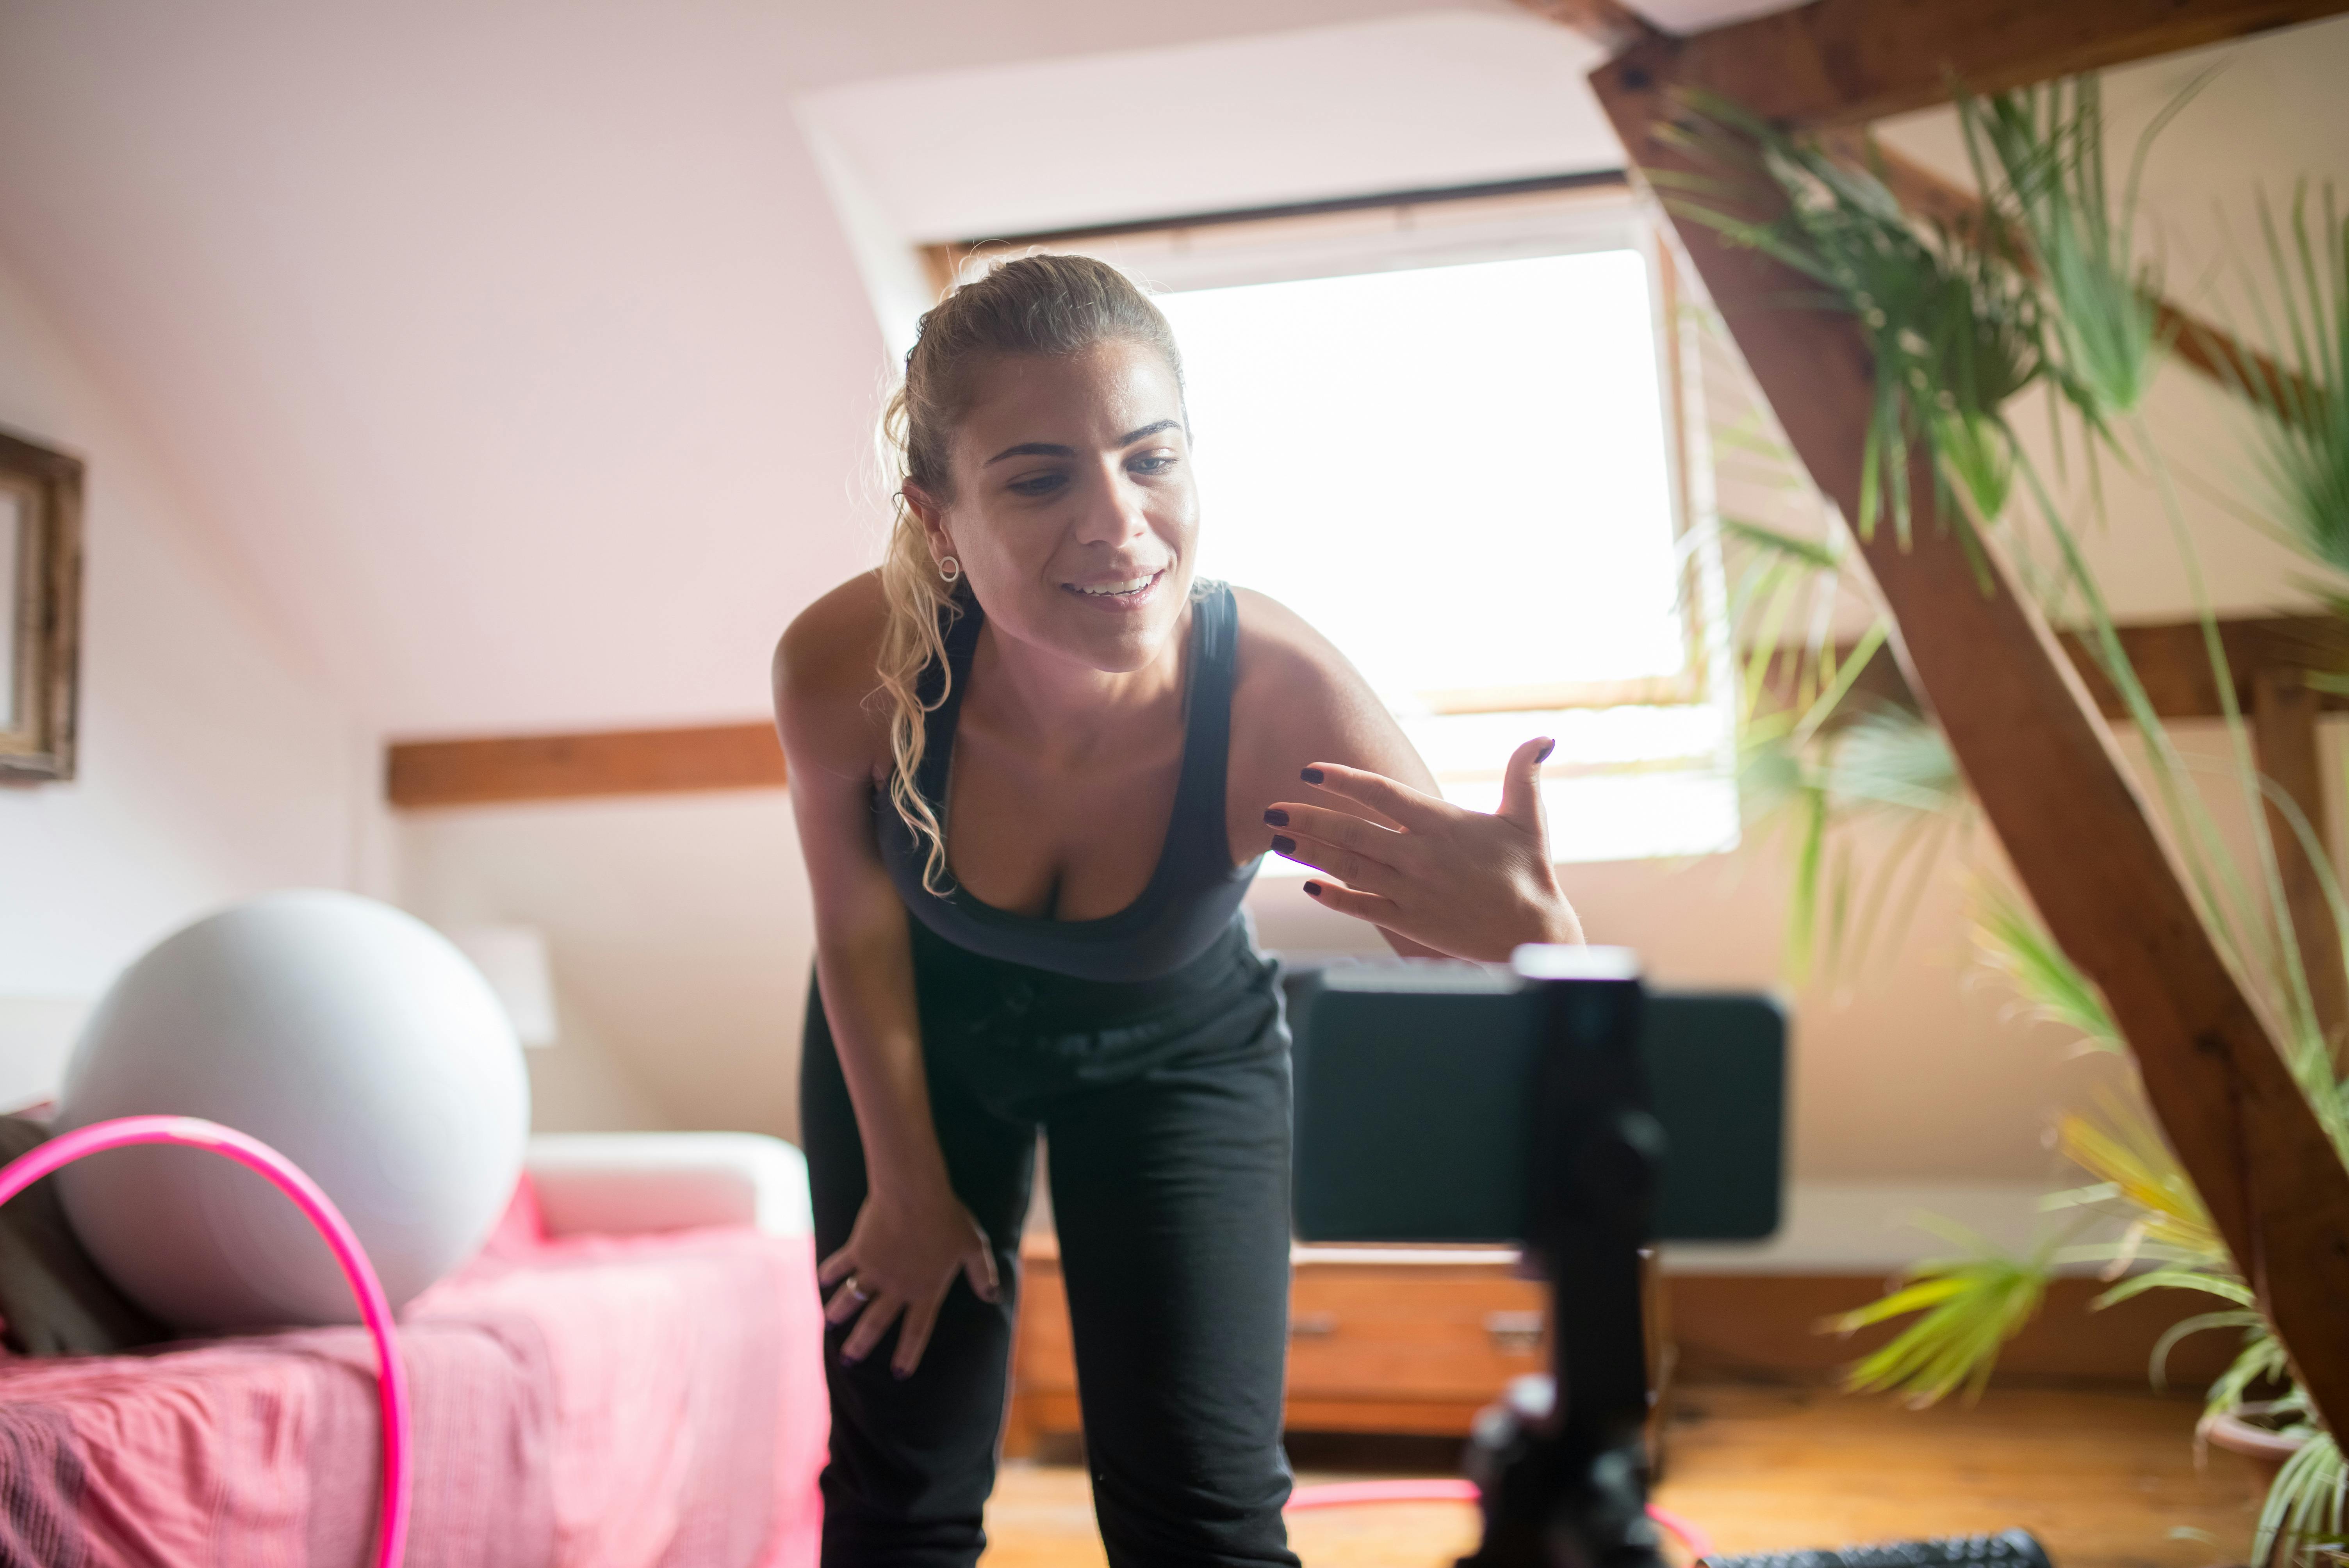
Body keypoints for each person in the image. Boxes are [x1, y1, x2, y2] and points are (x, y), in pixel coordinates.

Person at [772, 253, 1583, 1568]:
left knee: (1202, 1523)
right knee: (897, 1496)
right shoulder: (843, 668)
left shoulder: (1276, 695)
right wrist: (907, 1185)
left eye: (1152, 459)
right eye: (1039, 478)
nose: (1118, 523)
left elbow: (1485, 956)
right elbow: (855, 925)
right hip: (918, 1046)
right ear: (938, 516)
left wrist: (1539, 934)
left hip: (1179, 1061)